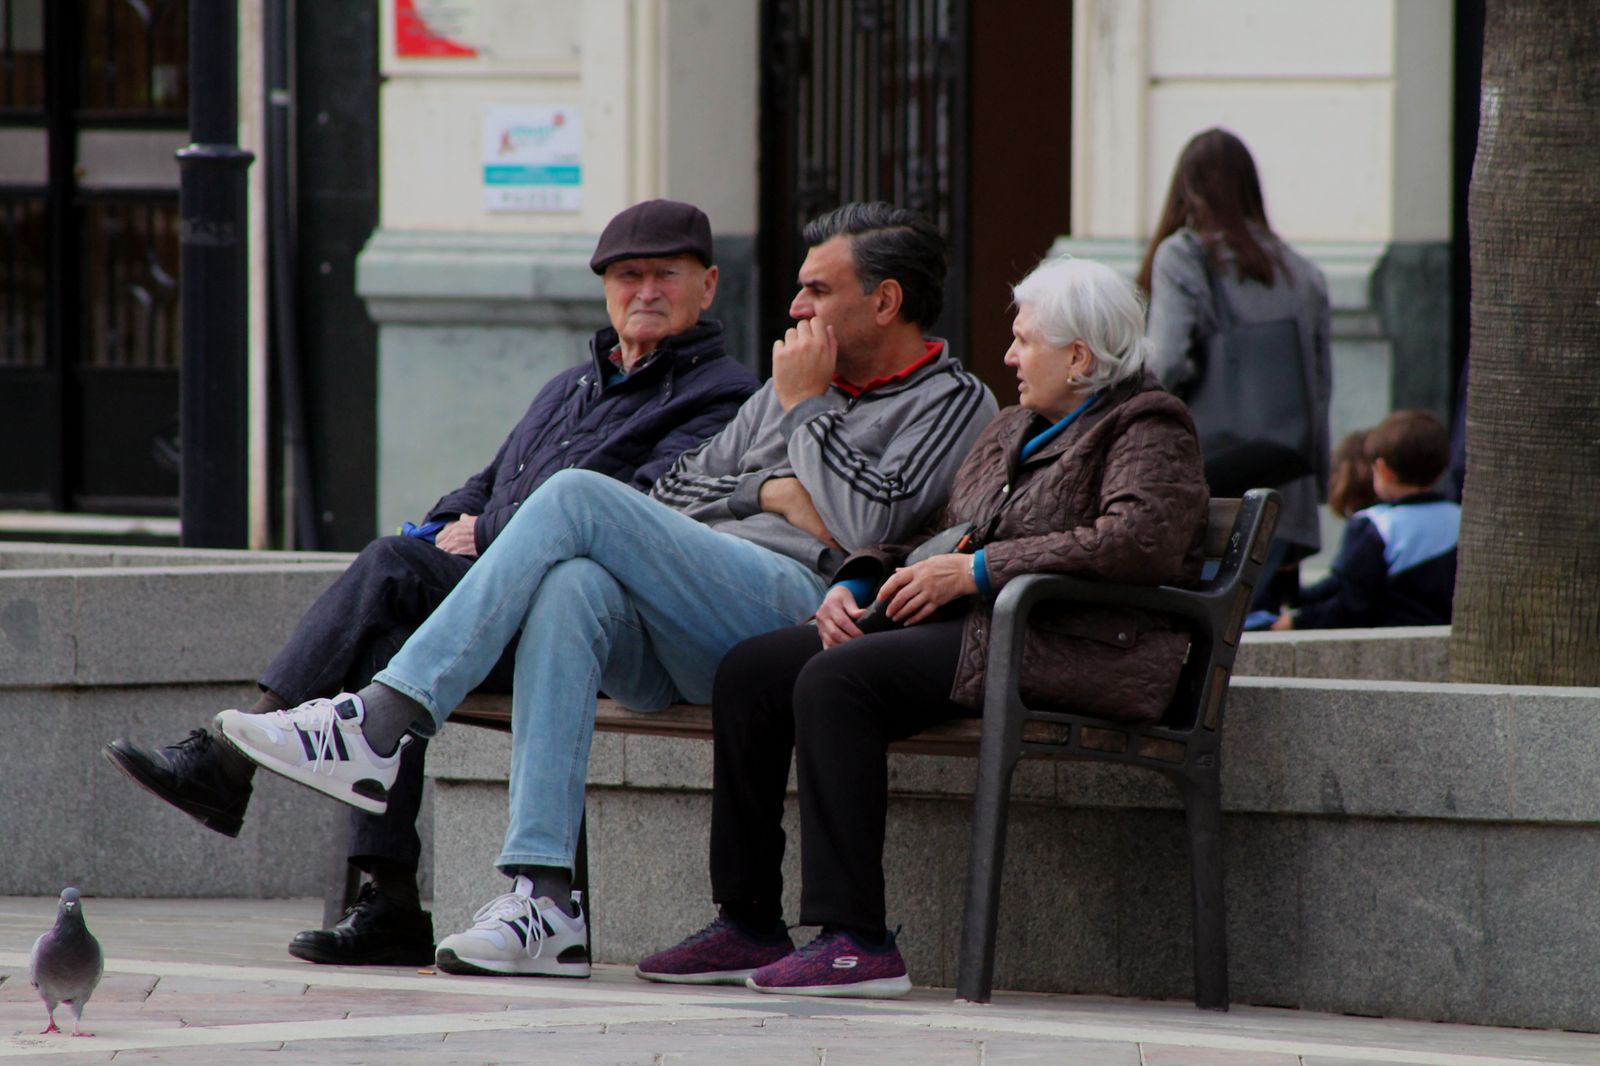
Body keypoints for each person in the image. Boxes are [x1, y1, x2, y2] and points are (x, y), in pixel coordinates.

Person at [207, 201, 998, 980]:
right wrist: (773, 493)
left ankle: (382, 722)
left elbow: (865, 520)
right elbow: (676, 491)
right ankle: (545, 900)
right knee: (575, 585)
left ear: (885, 300)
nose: (796, 307)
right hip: (700, 616)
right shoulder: (782, 386)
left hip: (802, 612)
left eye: (817, 291)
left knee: (579, 496)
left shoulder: (951, 400)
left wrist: (806, 410)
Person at [104, 199, 759, 967]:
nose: (645, 290)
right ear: (605, 289)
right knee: (392, 612)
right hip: (491, 610)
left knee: (390, 569)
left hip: (590, 629)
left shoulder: (722, 397)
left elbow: (638, 513)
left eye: (665, 275)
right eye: (626, 275)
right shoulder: (569, 388)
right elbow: (481, 486)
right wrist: (448, 526)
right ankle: (386, 900)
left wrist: (481, 533)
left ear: (708, 285)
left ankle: (230, 761)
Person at [635, 256, 1209, 998]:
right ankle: (747, 923)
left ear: (1079, 356)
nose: (1008, 355)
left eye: (1025, 340)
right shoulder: (1014, 428)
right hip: (982, 633)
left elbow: (1137, 540)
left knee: (838, 681)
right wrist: (857, 580)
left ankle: (856, 941)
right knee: (752, 671)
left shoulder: (1148, 424)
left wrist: (977, 572)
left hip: (1073, 646)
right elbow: (938, 531)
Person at [1140, 127, 1332, 611]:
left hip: (1212, 492)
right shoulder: (1301, 270)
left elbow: (1165, 361)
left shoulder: (1184, 255)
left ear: (1185, 187)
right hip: (1286, 494)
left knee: (1193, 642)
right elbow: (1321, 386)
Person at [1274, 409, 1459, 630]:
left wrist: (1295, 620)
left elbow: (1350, 602)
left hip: (1389, 643)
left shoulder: (1377, 525)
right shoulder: (1461, 518)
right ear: (1441, 472)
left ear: (1382, 470)